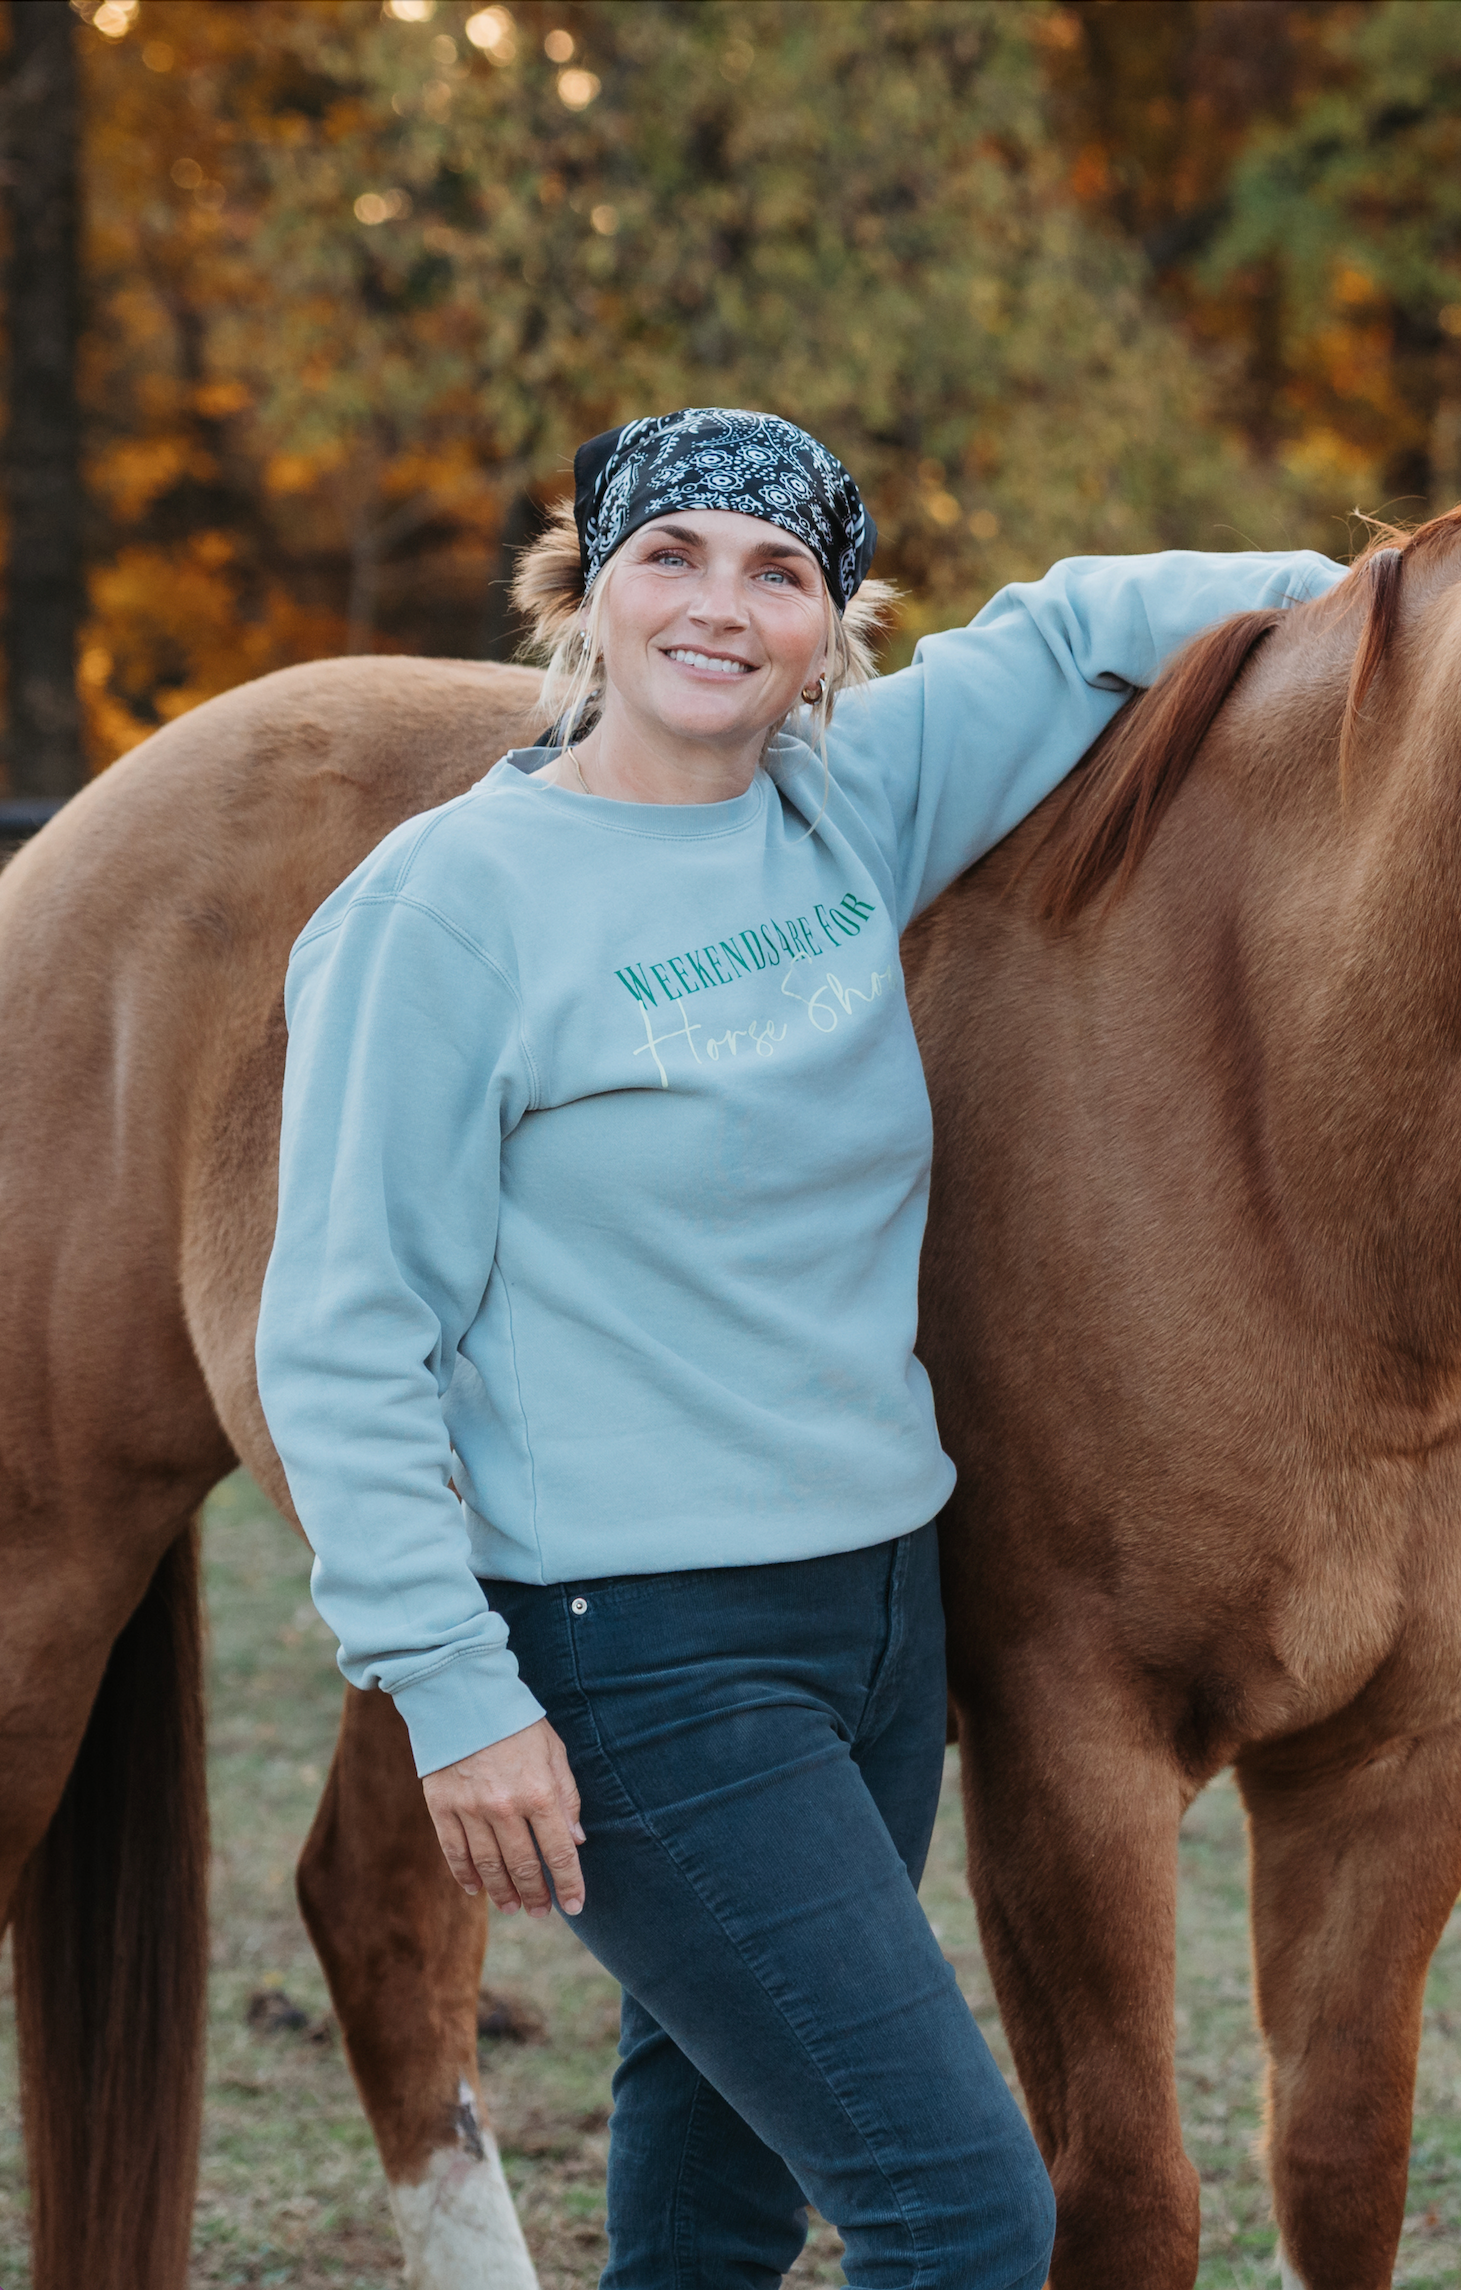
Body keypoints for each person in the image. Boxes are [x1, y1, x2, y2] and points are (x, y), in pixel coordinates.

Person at [256, 406, 1344, 2288]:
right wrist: (454, 1687)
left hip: (870, 1620)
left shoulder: (844, 804)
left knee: (720, 2180)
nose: (719, 604)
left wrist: (1420, 611)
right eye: (668, 553)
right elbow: (345, 1342)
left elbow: (1083, 621)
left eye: (778, 572)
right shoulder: (446, 911)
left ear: (831, 626)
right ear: (585, 591)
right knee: (966, 2211)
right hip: (631, 1650)